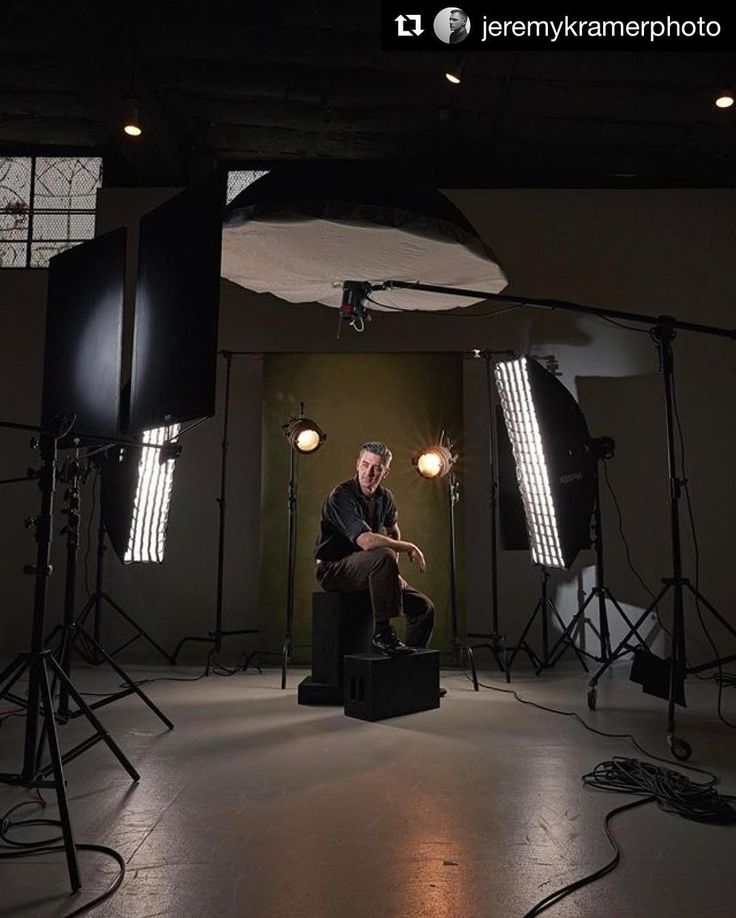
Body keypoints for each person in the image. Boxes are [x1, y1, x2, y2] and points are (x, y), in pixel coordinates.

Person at [314, 441, 435, 656]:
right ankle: (382, 634)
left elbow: (393, 531)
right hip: (334, 570)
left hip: (369, 567)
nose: (369, 472)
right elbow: (367, 542)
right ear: (357, 464)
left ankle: (409, 674)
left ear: (385, 472)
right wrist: (408, 547)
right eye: (365, 464)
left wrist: (393, 571)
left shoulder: (385, 497)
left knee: (423, 608)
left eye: (377, 468)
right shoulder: (341, 496)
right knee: (383, 554)